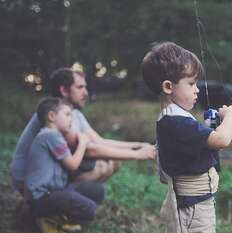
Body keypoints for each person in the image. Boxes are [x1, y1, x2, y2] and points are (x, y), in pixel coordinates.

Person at [141, 42, 232, 233]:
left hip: (199, 201)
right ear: (169, 86)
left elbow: (199, 142)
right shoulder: (174, 121)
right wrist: (230, 117)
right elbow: (221, 141)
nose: (197, 90)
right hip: (190, 205)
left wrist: (208, 124)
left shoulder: (178, 118)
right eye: (192, 83)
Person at [10, 67, 156, 193]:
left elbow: (99, 141)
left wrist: (139, 145)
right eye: (80, 87)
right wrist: (137, 155)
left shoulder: (73, 113)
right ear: (63, 90)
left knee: (112, 162)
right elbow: (89, 150)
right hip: (28, 179)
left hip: (49, 173)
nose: (86, 92)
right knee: (100, 166)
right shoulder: (55, 116)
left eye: (85, 87)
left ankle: (68, 206)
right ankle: (55, 209)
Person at [25, 97, 105, 233]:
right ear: (51, 116)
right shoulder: (50, 136)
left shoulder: (54, 136)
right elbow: (73, 165)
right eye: (67, 115)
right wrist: (83, 142)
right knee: (90, 209)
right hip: (41, 197)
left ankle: (58, 216)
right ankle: (47, 218)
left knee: (97, 190)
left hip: (55, 191)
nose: (71, 119)